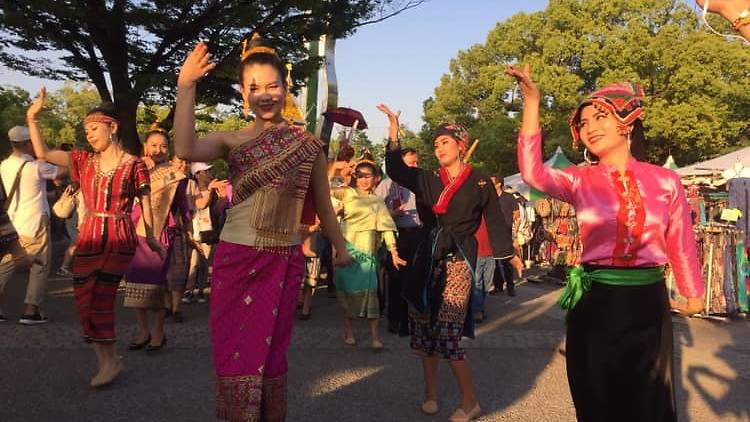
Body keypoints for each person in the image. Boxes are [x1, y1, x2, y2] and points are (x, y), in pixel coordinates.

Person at [507, 64, 705, 422]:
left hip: (648, 303)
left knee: (649, 400)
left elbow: (680, 240)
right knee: (598, 397)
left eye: (599, 117)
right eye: (583, 124)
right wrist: (532, 102)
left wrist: (693, 293)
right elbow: (532, 172)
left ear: (625, 122)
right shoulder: (578, 180)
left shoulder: (666, 181)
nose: (590, 128)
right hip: (596, 301)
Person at [173, 34, 351, 421]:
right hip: (237, 258)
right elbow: (185, 149)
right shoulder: (229, 140)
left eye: (272, 86)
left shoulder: (307, 145)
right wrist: (185, 87)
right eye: (254, 88)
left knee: (271, 355)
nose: (264, 94)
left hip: (284, 259)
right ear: (243, 95)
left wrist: (340, 246)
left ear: (285, 90)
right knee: (235, 353)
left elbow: (323, 200)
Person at [380, 104, 521, 422]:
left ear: (460, 145)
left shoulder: (480, 181)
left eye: (444, 142)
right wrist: (393, 130)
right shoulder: (429, 179)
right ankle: (430, 394)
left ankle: (469, 401)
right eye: (435, 143)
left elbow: (495, 220)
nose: (438, 147)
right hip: (427, 257)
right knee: (424, 331)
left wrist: (507, 254)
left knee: (446, 331)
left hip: (459, 257)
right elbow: (396, 170)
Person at [25, 89, 164, 387]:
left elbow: (146, 200)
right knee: (84, 297)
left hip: (118, 234)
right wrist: (31, 118)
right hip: (89, 235)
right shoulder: (84, 161)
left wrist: (150, 236)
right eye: (85, 130)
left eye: (94, 129)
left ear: (112, 127)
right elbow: (44, 154)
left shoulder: (134, 164)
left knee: (100, 294)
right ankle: (108, 359)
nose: (88, 135)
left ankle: (109, 363)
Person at [123, 126, 192, 351]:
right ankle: (143, 330)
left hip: (161, 232)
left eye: (163, 146)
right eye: (154, 145)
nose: (159, 150)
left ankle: (158, 332)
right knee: (134, 283)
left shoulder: (175, 174)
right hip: (135, 231)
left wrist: (189, 229)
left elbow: (182, 205)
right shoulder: (134, 167)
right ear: (145, 147)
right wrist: (140, 168)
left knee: (155, 284)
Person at [333, 160, 405, 349]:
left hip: (367, 253)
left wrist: (394, 252)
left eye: (368, 176)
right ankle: (348, 332)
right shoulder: (347, 193)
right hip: (346, 249)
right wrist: (339, 170)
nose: (364, 179)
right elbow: (325, 189)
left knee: (371, 292)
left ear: (375, 179)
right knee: (348, 292)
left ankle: (375, 338)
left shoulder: (378, 202)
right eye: (360, 175)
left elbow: (387, 228)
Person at [0, 125, 63, 324]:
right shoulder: (37, 167)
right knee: (40, 264)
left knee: (9, 262)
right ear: (28, 143)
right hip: (35, 221)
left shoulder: (3, 165)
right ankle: (31, 310)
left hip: (11, 223)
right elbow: (62, 171)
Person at [375, 147, 425, 336]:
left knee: (414, 278)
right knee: (395, 279)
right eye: (412, 162)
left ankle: (410, 320)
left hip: (418, 234)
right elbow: (375, 212)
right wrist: (393, 214)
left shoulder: (420, 182)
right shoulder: (387, 185)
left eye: (417, 162)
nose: (416, 165)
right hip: (396, 235)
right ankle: (394, 319)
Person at [184, 162, 229, 305]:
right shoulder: (191, 187)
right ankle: (189, 289)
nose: (210, 173)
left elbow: (217, 211)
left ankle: (202, 289)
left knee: (205, 262)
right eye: (206, 171)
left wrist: (222, 198)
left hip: (208, 230)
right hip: (194, 228)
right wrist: (209, 189)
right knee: (193, 263)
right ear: (198, 174)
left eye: (210, 170)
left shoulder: (214, 188)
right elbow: (200, 204)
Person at [489, 175, 519, 297]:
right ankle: (498, 286)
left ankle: (510, 287)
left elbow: (516, 213)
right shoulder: (489, 199)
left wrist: (515, 231)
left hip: (505, 233)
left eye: (492, 182)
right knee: (494, 262)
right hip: (492, 233)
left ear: (498, 184)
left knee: (507, 261)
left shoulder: (509, 197)